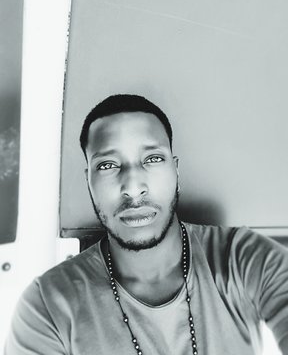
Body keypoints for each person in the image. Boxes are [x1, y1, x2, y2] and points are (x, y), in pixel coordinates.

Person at [5, 94, 288, 355]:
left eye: (152, 159)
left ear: (175, 171)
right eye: (108, 165)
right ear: (88, 181)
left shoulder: (243, 258)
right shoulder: (48, 305)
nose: (133, 187)